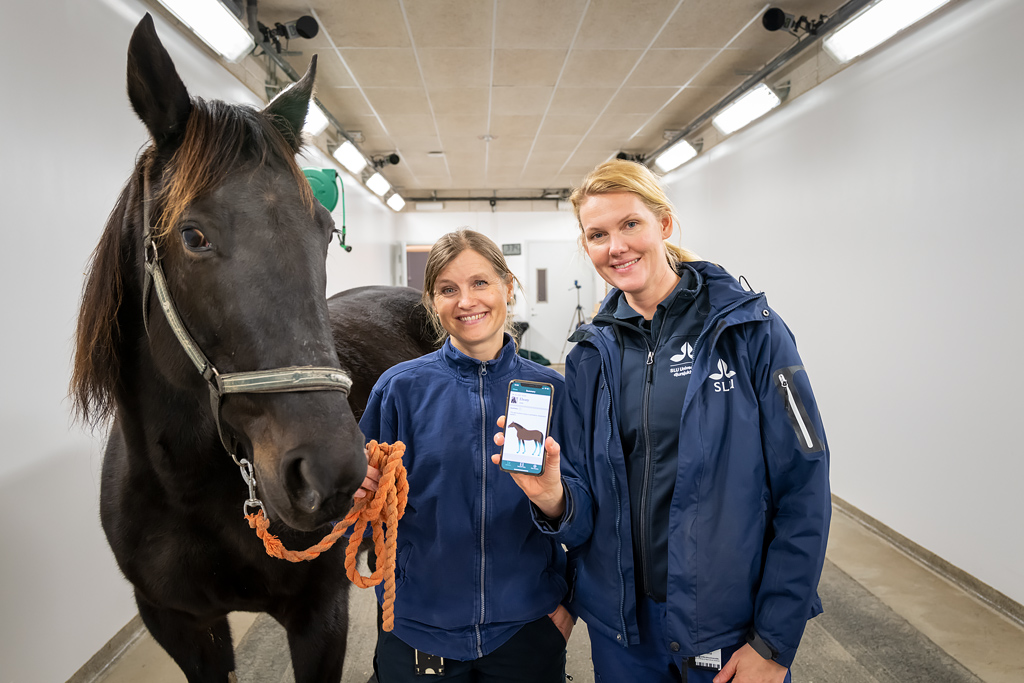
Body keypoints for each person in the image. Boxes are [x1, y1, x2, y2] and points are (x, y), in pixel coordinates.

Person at [492, 160, 831, 683]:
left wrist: (774, 641)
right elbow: (585, 512)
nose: (616, 246)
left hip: (728, 628)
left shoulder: (748, 331)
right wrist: (553, 497)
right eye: (598, 234)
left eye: (631, 224)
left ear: (664, 225)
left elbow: (803, 487)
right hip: (624, 634)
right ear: (587, 247)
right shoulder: (589, 353)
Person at [358, 229, 573, 683]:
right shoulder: (399, 389)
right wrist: (352, 492)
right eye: (448, 289)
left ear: (507, 286)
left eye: (480, 283)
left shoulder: (552, 391)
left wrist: (569, 605)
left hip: (527, 627)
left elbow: (594, 510)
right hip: (417, 627)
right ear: (432, 301)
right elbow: (362, 507)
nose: (466, 301)